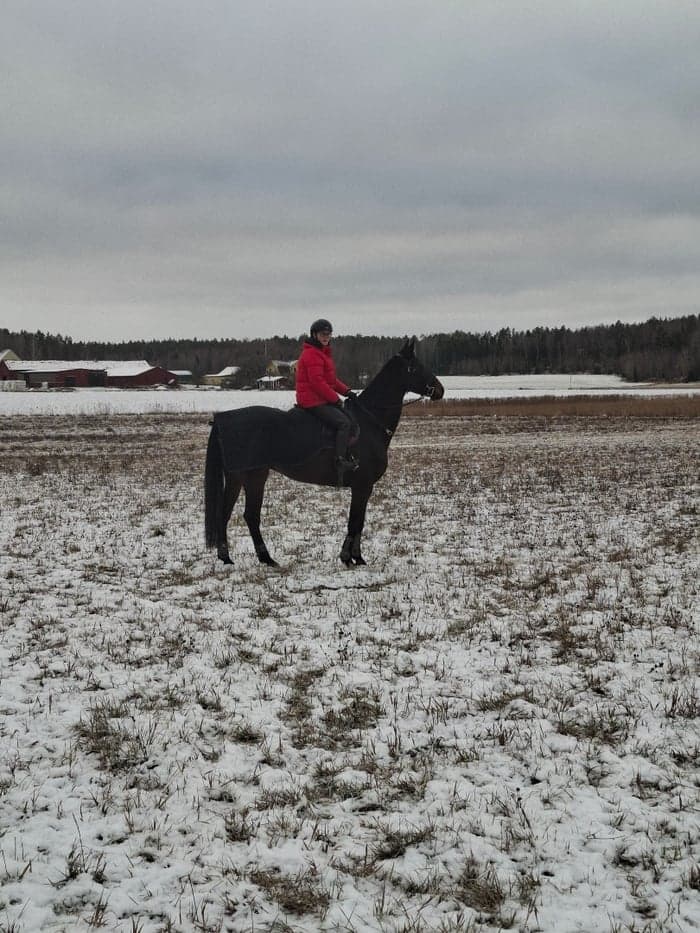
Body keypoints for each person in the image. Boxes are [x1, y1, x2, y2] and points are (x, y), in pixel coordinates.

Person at [295, 319, 359, 479]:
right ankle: (339, 460)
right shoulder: (311, 354)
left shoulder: (322, 353)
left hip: (319, 398)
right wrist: (335, 399)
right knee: (343, 423)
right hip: (311, 400)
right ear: (315, 335)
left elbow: (331, 381)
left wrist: (347, 391)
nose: (326, 337)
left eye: (328, 334)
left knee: (348, 417)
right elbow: (317, 382)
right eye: (323, 334)